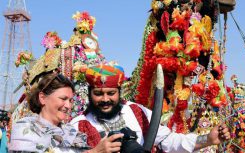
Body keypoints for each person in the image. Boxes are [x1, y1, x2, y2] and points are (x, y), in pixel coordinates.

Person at [71, 64, 231, 153]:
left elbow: (170, 141)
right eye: (98, 94)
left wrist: (207, 140)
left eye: (111, 93)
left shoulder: (136, 111)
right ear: (89, 94)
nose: (105, 100)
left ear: (119, 92)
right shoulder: (78, 125)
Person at [9, 72, 124, 153]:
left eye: (71, 100)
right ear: (43, 98)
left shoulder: (73, 132)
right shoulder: (25, 129)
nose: (68, 106)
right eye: (63, 99)